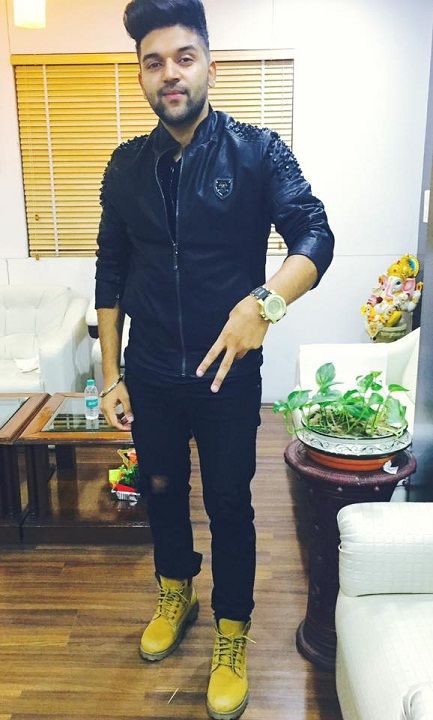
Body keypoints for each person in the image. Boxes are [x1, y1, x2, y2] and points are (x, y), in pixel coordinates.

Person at [95, 1, 334, 717]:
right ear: (141, 75)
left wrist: (264, 303)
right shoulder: (126, 166)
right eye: (153, 62)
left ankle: (232, 631)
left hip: (227, 374)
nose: (169, 74)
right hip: (150, 371)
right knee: (161, 491)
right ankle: (177, 594)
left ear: (209, 66)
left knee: (230, 504)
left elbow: (314, 235)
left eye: (183, 57)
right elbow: (110, 271)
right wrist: (110, 375)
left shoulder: (256, 152)